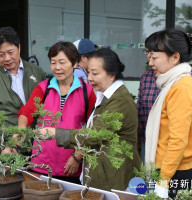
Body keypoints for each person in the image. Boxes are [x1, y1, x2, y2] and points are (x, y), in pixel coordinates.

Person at [39, 48, 141, 191]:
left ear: (112, 75)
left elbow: (94, 135)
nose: (90, 77)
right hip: (103, 173)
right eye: (88, 72)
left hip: (114, 176)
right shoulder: (105, 95)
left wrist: (56, 133)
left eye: (95, 73)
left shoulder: (119, 101)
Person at [17, 41, 96, 183]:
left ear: (75, 63)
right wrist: (22, 128)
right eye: (53, 62)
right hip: (41, 163)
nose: (57, 67)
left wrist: (78, 157)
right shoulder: (43, 88)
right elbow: (27, 112)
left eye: (62, 62)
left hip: (71, 165)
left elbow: (93, 128)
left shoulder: (87, 92)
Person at [144, 29, 192, 199]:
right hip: (169, 170)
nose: (150, 63)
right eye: (149, 58)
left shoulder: (181, 87)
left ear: (175, 57)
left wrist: (163, 181)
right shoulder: (172, 82)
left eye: (154, 58)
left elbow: (178, 139)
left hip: (175, 172)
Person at [137, 49, 192, 171]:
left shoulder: (183, 83)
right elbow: (140, 112)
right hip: (152, 147)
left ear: (174, 57)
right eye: (147, 53)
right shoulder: (147, 77)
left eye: (154, 56)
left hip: (175, 162)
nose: (150, 60)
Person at [0, 26, 46, 134]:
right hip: (9, 144)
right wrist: (2, 146)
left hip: (38, 141)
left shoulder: (37, 72)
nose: (7, 58)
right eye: (1, 55)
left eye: (10, 52)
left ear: (19, 47)